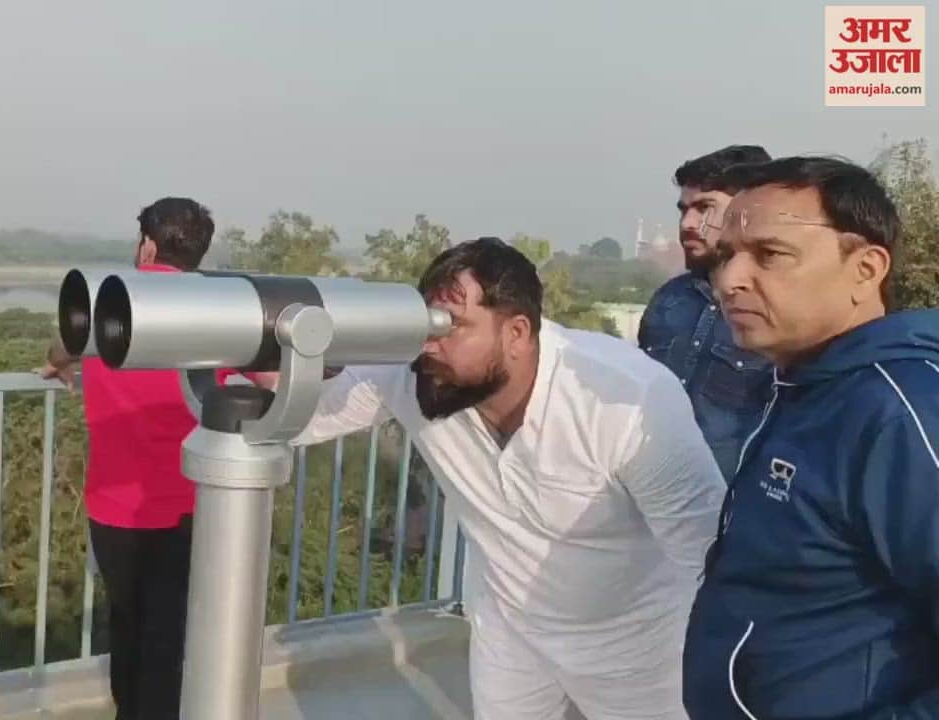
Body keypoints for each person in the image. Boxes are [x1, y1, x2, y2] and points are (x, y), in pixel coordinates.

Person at [269, 237, 726, 720]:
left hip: (636, 646)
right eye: (426, 322)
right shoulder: (415, 375)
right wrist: (271, 353)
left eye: (452, 325)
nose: (429, 343)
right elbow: (292, 416)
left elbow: (708, 554)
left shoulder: (626, 398)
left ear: (517, 333)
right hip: (511, 634)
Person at [682, 156, 939, 720]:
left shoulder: (901, 412)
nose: (729, 280)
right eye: (725, 256)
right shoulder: (803, 385)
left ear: (865, 269)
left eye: (770, 255)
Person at [41, 196, 218, 720]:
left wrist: (57, 364)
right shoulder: (218, 312)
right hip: (190, 505)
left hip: (114, 508)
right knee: (166, 642)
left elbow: (61, 347)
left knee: (128, 624)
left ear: (146, 244)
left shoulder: (108, 308)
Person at [639, 144, 774, 479]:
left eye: (704, 208)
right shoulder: (670, 301)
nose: (687, 223)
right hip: (650, 501)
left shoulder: (778, 311)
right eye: (683, 209)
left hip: (736, 509)